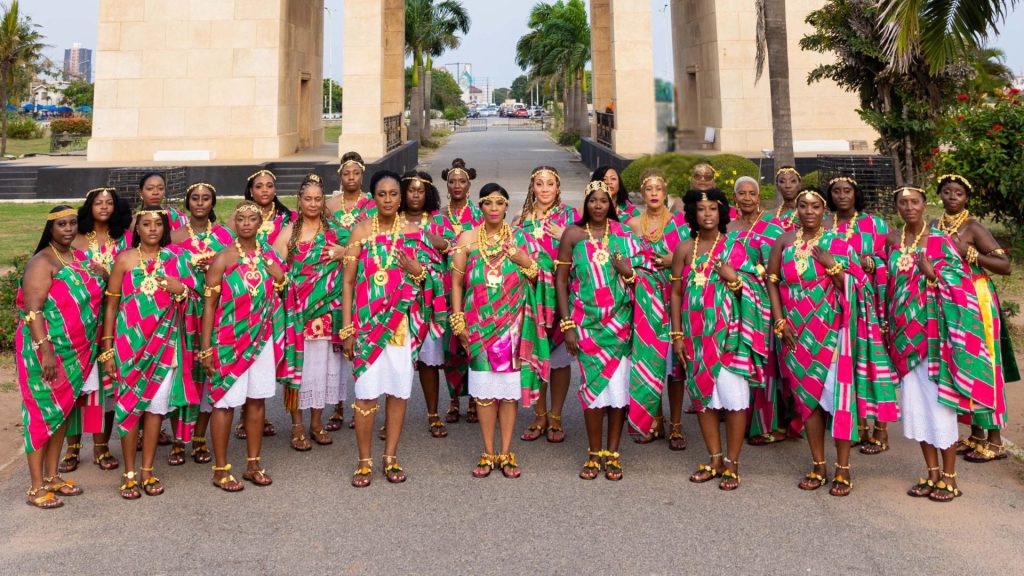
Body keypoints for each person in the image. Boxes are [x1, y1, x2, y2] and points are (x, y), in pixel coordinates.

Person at [765, 187, 896, 496]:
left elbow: (857, 285)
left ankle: (843, 468)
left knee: (837, 402)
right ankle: (818, 464)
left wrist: (832, 265)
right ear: (795, 209)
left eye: (815, 206)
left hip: (831, 332)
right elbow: (772, 282)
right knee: (807, 401)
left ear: (824, 211)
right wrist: (779, 321)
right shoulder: (782, 242)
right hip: (794, 333)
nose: (809, 211)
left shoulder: (836, 242)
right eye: (803, 206)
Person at [885, 185, 996, 502]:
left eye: (915, 202)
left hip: (936, 341)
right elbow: (888, 285)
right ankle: (931, 474)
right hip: (904, 339)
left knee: (940, 408)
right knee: (917, 410)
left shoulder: (940, 241)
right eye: (903, 202)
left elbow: (962, 287)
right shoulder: (894, 241)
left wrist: (933, 274)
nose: (909, 207)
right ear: (897, 207)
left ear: (924, 205)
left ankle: (950, 478)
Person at [339, 170, 433, 487]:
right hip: (365, 327)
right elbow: (349, 282)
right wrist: (347, 327)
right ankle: (364, 460)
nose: (389, 199)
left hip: (400, 326)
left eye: (394, 194)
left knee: (397, 391)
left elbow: (428, 279)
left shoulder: (413, 232)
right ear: (374, 197)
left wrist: (416, 269)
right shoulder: (360, 232)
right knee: (365, 395)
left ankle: (390, 457)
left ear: (401, 197)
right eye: (382, 194)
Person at [670, 187, 767, 490]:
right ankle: (714, 458)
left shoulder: (735, 247)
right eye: (701, 209)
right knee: (704, 399)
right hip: (695, 337)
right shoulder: (685, 249)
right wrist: (676, 335)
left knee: (735, 401)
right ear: (692, 214)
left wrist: (734, 279)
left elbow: (757, 292)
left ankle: (733, 463)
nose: (708, 214)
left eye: (713, 208)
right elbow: (675, 293)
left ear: (722, 212)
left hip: (730, 338)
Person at [450, 183, 548, 478]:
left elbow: (540, 275)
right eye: (488, 203)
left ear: (507, 207)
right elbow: (456, 282)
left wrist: (523, 260)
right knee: (483, 393)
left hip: (512, 327)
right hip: (478, 326)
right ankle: (487, 451)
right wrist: (458, 320)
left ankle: (506, 452)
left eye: (499, 203)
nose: (494, 208)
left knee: (507, 394)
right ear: (480, 207)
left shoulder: (521, 239)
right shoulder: (467, 239)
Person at [101, 207, 199, 499]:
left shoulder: (176, 259)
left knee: (155, 408)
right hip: (129, 346)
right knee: (130, 408)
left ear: (165, 229)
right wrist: (107, 350)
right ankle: (129, 472)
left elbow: (194, 297)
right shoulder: (125, 260)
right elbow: (111, 306)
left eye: (158, 224)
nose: (153, 229)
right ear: (137, 229)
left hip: (164, 345)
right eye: (146, 224)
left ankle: (147, 470)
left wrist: (179, 288)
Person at [17, 206, 105, 509]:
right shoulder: (42, 262)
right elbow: (33, 311)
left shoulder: (78, 258)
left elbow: (102, 283)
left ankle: (53, 477)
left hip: (78, 351)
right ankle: (36, 487)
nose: (68, 229)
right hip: (47, 352)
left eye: (72, 223)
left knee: (62, 414)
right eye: (61, 224)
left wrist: (102, 272)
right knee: (42, 416)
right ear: (50, 229)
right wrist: (45, 352)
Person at [927, 174, 1017, 463]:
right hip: (948, 304)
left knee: (984, 363)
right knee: (962, 362)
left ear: (967, 198)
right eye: (948, 192)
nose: (953, 197)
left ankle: (995, 440)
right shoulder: (933, 227)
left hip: (977, 302)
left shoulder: (973, 227)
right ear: (940, 194)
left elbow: (1005, 266)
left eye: (959, 193)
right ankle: (976, 433)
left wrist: (973, 255)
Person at [556, 180, 640, 481]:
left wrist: (628, 273)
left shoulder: (624, 235)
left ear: (611, 203)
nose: (599, 205)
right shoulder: (573, 235)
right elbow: (561, 282)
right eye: (593, 200)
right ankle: (593, 454)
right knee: (593, 391)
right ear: (586, 204)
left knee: (618, 391)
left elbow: (644, 275)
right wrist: (567, 326)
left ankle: (613, 453)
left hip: (620, 325)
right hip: (586, 325)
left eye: (604, 200)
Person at [200, 201, 288, 491]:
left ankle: (253, 464)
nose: (247, 223)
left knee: (257, 401)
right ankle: (221, 469)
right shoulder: (223, 259)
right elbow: (209, 305)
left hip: (261, 341)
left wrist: (279, 278)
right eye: (241, 219)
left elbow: (284, 289)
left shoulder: (270, 256)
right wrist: (207, 348)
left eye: (253, 218)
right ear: (234, 224)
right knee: (224, 403)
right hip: (227, 343)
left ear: (260, 223)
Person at [59, 187, 132, 474]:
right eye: (98, 202)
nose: (104, 206)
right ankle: (73, 447)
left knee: (104, 386)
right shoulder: (75, 238)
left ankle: (101, 446)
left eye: (109, 202)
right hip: (80, 320)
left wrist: (108, 276)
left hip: (115, 318)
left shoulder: (124, 238)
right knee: (79, 384)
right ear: (88, 207)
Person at [822, 176, 896, 453]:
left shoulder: (874, 224)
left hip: (868, 303)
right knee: (849, 363)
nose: (842, 195)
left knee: (873, 361)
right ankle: (859, 425)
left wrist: (871, 262)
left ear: (856, 194)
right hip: (835, 303)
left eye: (847, 191)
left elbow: (891, 257)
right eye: (836, 191)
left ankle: (881, 430)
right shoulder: (825, 225)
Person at [274, 175, 346, 451]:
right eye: (308, 199)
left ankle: (316, 423)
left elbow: (358, 252)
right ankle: (297, 427)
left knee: (323, 367)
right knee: (300, 369)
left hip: (328, 314)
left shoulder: (336, 231)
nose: (313, 204)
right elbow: (273, 265)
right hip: (298, 313)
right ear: (299, 201)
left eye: (318, 199)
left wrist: (343, 251)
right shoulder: (288, 232)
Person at [166, 183, 235, 466]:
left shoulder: (225, 236)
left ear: (213, 203)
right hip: (183, 313)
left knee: (209, 375)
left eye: (206, 198)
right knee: (182, 374)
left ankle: (199, 437)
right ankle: (178, 441)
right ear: (187, 203)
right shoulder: (174, 236)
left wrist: (216, 269)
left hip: (215, 314)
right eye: (195, 198)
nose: (200, 203)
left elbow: (237, 268)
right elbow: (164, 270)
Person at [623, 170, 690, 449]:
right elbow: (622, 256)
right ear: (642, 192)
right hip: (643, 299)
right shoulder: (632, 224)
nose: (653, 193)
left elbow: (691, 258)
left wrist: (672, 260)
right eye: (648, 188)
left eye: (658, 189)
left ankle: (676, 425)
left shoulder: (679, 225)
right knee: (649, 363)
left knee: (675, 367)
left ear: (665, 193)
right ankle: (654, 420)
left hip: (673, 297)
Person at [515, 166, 578, 443]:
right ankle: (539, 415)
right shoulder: (521, 219)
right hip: (531, 296)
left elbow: (587, 250)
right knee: (535, 355)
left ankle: (556, 415)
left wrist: (565, 234)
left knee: (560, 360)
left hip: (560, 295)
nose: (544, 189)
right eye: (539, 184)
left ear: (557, 188)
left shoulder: (570, 217)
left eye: (549, 184)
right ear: (532, 188)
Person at [723, 178, 787, 447]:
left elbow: (779, 268)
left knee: (768, 362)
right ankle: (741, 416)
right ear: (734, 197)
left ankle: (769, 424)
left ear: (759, 197)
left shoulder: (773, 228)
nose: (747, 197)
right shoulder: (726, 228)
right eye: (742, 193)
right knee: (740, 357)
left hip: (765, 303)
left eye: (752, 193)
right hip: (734, 303)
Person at [236, 168, 293, 439]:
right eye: (259, 186)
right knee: (245, 350)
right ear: (250, 190)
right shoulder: (239, 219)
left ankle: (261, 413)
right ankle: (244, 416)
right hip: (246, 295)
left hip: (277, 288)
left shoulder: (287, 218)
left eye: (270, 186)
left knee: (266, 353)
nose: (265, 191)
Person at [324, 152, 375, 431]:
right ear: (340, 176)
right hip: (335, 279)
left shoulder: (372, 205)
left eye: (356, 173)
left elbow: (379, 240)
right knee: (338, 342)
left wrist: (349, 251)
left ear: (362, 175)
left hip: (363, 276)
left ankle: (362, 404)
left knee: (361, 338)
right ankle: (338, 405)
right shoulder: (330, 206)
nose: (351, 178)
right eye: (346, 174)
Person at [399, 170, 451, 438]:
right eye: (410, 190)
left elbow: (450, 249)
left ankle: (433, 414)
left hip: (429, 303)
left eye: (421, 190)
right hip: (397, 303)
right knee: (398, 362)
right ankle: (393, 418)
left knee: (429, 363)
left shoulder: (437, 220)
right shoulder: (391, 221)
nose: (416, 195)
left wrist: (433, 240)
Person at [437, 158, 483, 424]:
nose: (457, 185)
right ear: (446, 184)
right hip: (445, 289)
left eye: (462, 181)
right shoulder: (438, 217)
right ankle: (454, 399)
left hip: (472, 288)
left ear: (469, 185)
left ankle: (476, 399)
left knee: (472, 342)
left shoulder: (478, 217)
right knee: (450, 347)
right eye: (452, 181)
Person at [771, 166, 802, 232]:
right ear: (777, 186)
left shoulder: (810, 214)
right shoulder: (770, 215)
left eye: (793, 181)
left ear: (799, 185)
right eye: (782, 182)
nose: (788, 186)